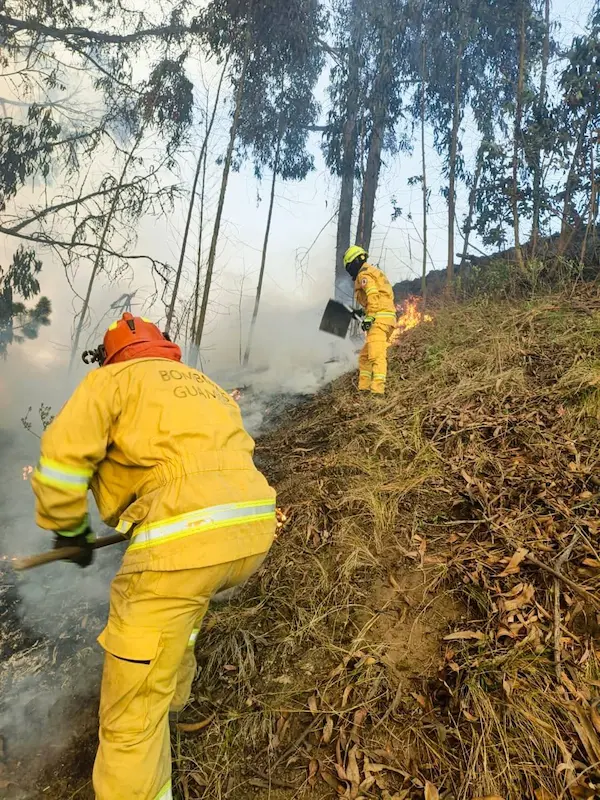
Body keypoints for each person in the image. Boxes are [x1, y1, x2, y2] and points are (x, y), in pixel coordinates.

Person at [31, 313, 277, 800]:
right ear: (164, 347)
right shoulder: (203, 384)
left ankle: (149, 716)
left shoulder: (110, 380)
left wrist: (67, 530)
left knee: (128, 725)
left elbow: (61, 459)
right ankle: (174, 700)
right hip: (252, 532)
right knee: (180, 620)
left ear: (111, 353)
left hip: (183, 543)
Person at [343, 245, 397, 395]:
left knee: (376, 355)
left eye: (349, 268)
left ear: (353, 263)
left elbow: (373, 294)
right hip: (385, 318)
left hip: (379, 321)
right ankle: (364, 389)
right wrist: (362, 312)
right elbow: (380, 297)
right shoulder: (373, 272)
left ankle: (377, 392)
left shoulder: (363, 275)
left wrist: (371, 316)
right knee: (364, 357)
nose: (350, 273)